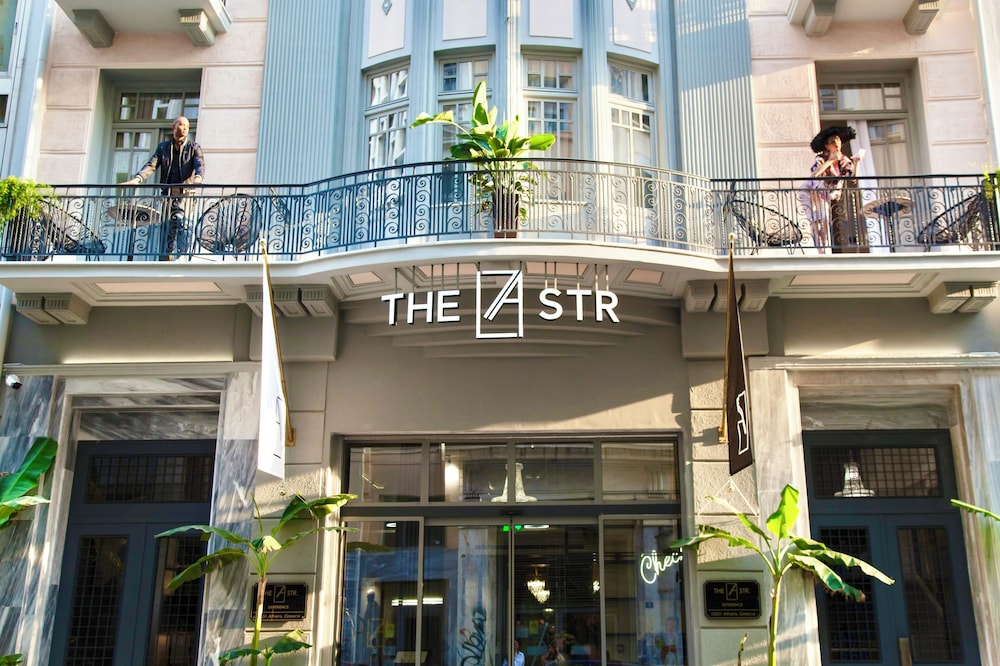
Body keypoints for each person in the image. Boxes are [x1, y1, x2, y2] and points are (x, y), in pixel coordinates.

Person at [122, 115, 204, 259]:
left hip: (185, 194)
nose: (184, 128)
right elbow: (151, 165)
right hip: (167, 195)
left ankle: (183, 257)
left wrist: (198, 178)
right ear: (174, 126)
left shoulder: (193, 147)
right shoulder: (163, 147)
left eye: (187, 126)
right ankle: (166, 258)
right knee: (167, 227)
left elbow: (199, 164)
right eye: (181, 125)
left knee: (183, 224)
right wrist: (138, 179)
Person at [798, 126, 863, 252]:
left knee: (823, 219)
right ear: (827, 146)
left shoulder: (843, 160)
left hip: (824, 193)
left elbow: (853, 179)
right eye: (832, 141)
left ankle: (823, 250)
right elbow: (816, 174)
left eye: (838, 140)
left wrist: (857, 163)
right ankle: (819, 250)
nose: (836, 143)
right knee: (814, 221)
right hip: (809, 190)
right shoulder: (822, 158)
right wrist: (831, 160)